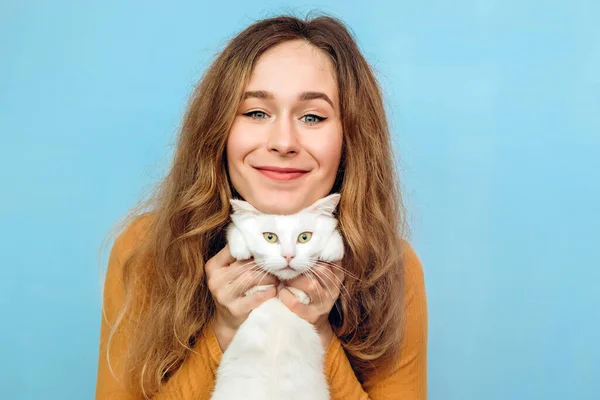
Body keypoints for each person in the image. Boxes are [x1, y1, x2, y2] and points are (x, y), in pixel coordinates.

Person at [95, 14, 427, 400]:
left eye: (312, 116)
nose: (283, 142)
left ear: (350, 139)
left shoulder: (393, 267)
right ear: (218, 129)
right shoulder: (145, 249)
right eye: (256, 112)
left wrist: (315, 329)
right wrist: (226, 331)